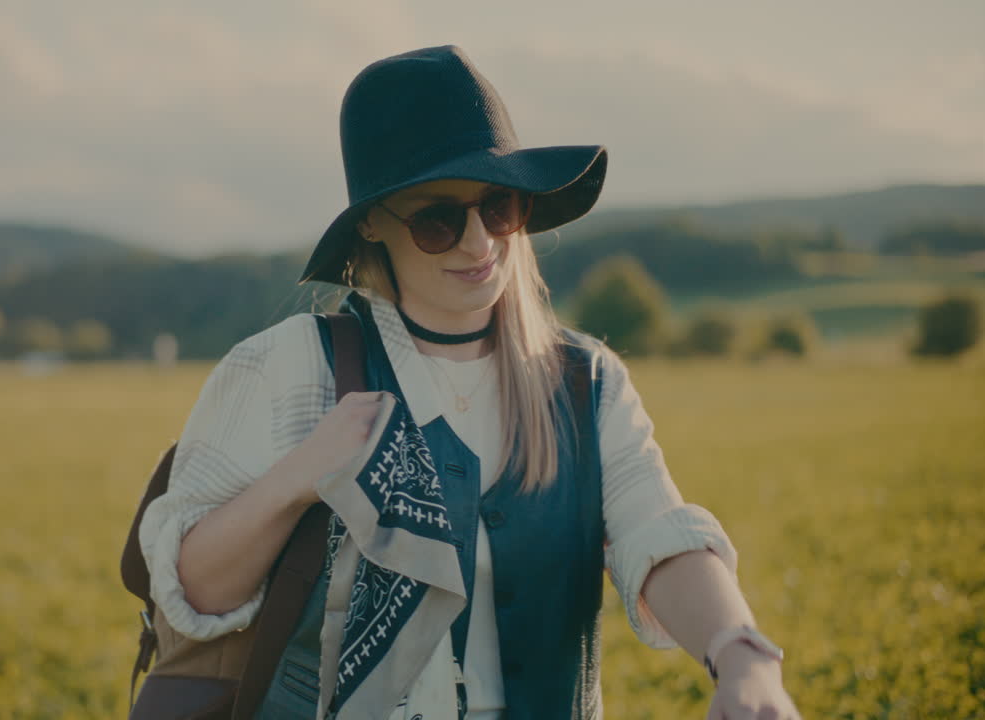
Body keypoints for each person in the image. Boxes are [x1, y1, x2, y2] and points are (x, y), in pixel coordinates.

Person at [139, 45, 801, 719]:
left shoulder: (586, 382)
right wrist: (298, 477)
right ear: (373, 223)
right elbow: (195, 593)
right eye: (438, 220)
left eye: (499, 208)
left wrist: (741, 655)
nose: (480, 244)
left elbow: (657, 536)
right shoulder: (286, 368)